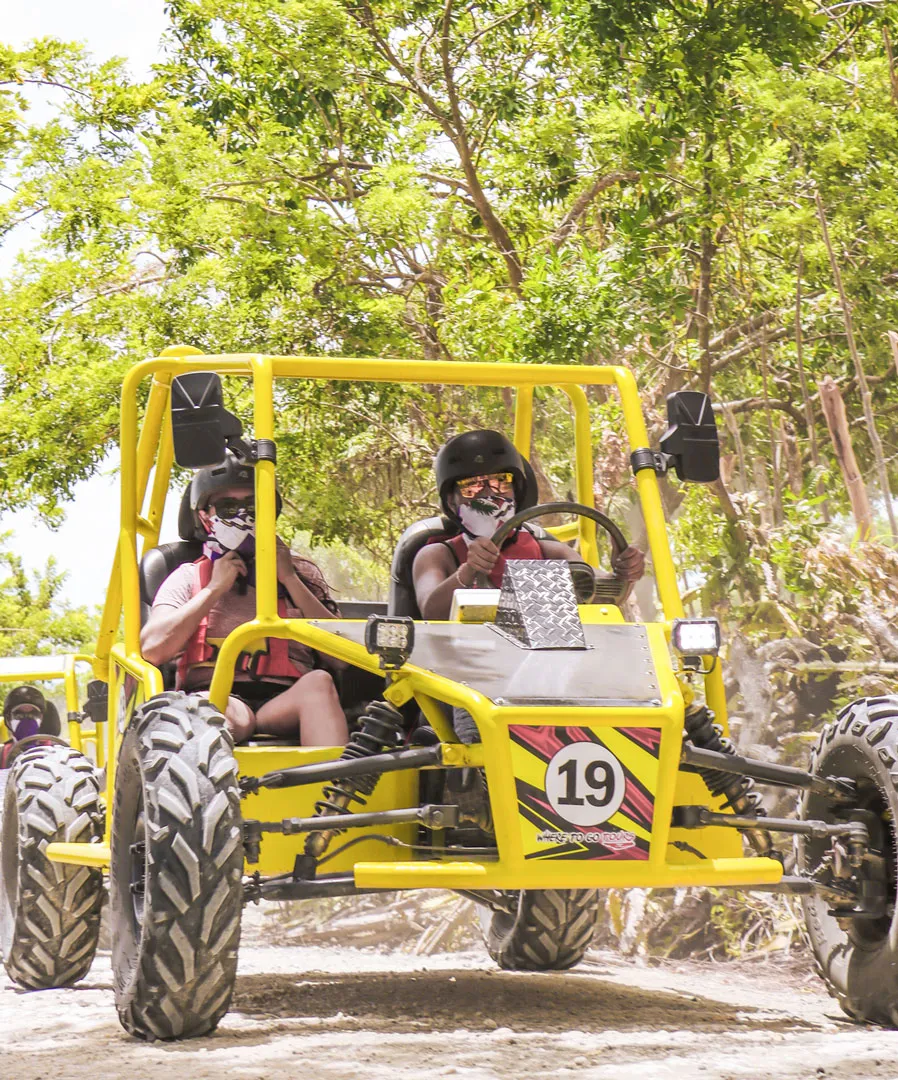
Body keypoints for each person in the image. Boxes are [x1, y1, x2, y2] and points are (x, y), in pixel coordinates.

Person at [140, 454, 348, 746]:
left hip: (288, 699)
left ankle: (336, 789)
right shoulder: (187, 576)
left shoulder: (301, 573)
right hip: (221, 698)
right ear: (204, 516)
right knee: (205, 709)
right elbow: (152, 649)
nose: (242, 516)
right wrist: (212, 590)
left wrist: (289, 579)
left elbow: (342, 658)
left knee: (320, 685)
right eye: (228, 507)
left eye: (253, 507)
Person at [413, 429, 645, 621]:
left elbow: (599, 595)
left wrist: (625, 573)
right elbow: (430, 612)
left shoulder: (547, 550)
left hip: (541, 665)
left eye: (500, 483)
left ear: (517, 491)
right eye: (471, 487)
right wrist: (469, 569)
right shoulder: (437, 554)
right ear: (452, 502)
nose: (488, 495)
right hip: (463, 666)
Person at [1, 685, 61, 768]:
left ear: (41, 718)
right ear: (8, 719)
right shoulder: (2, 754)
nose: (27, 720)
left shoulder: (58, 750)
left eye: (33, 714)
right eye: (19, 715)